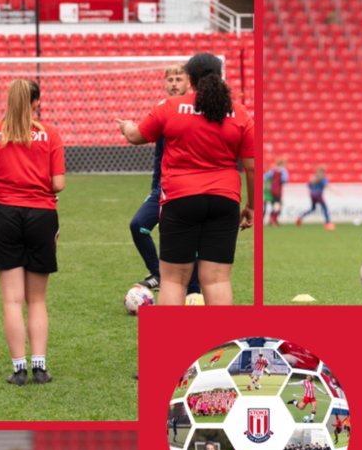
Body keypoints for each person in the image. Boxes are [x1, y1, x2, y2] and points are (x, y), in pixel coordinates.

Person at [117, 52, 254, 306]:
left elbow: (136, 136)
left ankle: (172, 345)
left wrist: (125, 126)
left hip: (180, 199)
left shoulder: (169, 107)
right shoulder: (241, 114)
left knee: (173, 281)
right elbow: (252, 168)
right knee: (217, 281)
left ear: (189, 79)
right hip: (224, 200)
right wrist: (252, 206)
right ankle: (221, 342)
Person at [0, 79, 65, 385]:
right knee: (37, 300)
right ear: (36, 102)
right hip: (42, 214)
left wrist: (4, 184)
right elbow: (58, 184)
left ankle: (18, 369)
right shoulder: (50, 134)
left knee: (12, 301)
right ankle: (40, 367)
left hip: (6, 215)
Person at [126, 66, 198, 293]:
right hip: (164, 187)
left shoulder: (197, 110)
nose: (174, 83)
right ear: (165, 84)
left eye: (179, 79)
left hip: (191, 186)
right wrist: (155, 188)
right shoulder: (162, 110)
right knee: (139, 225)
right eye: (171, 80)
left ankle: (194, 291)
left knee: (186, 239)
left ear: (189, 83)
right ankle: (158, 273)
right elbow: (159, 156)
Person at [264, 157, 288, 226]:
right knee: (278, 205)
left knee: (275, 204)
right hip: (278, 190)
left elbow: (265, 177)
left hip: (272, 190)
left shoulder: (273, 170)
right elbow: (284, 180)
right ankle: (272, 219)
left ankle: (274, 219)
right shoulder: (283, 171)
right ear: (283, 163)